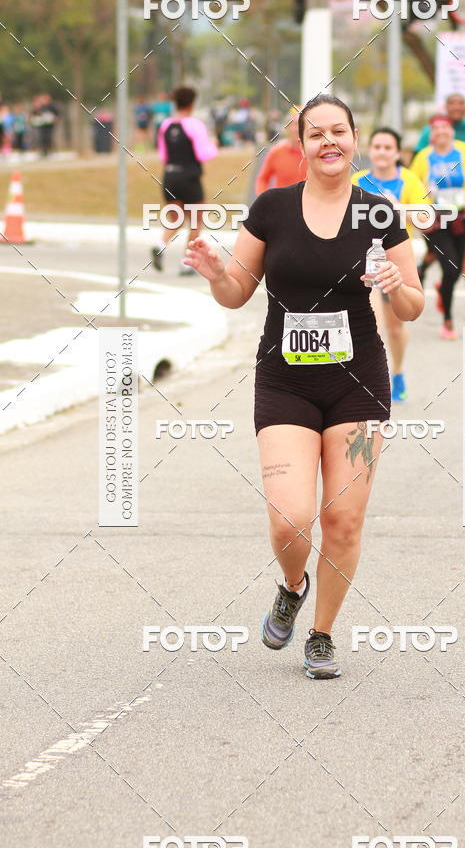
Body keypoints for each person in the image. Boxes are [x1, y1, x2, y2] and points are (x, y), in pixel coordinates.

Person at [183, 94, 423, 679]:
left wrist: (394, 285)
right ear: (301, 145)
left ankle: (321, 634)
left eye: (337, 131)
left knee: (343, 520)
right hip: (285, 381)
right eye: (316, 134)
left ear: (355, 138)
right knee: (290, 519)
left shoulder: (380, 212)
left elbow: (413, 306)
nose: (328, 142)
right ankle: (293, 584)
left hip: (358, 381)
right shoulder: (272, 209)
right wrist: (218, 274)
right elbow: (237, 291)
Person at [352, 127, 429, 402]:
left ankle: (397, 372)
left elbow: (427, 220)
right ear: (369, 151)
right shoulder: (358, 180)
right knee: (370, 324)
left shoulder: (409, 181)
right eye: (377, 147)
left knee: (395, 328)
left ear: (397, 153)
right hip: (360, 261)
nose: (382, 152)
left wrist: (400, 210)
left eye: (388, 147)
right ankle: (365, 378)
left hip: (394, 262)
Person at [410, 114, 465, 340]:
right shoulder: (423, 157)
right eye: (437, 128)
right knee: (451, 267)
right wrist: (419, 213)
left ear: (451, 131)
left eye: (445, 127)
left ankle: (441, 287)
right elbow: (412, 186)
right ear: (431, 134)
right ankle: (448, 321)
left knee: (457, 266)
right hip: (435, 219)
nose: (442, 132)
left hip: (461, 216)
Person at [151, 86, 218, 276]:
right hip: (189, 177)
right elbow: (202, 153)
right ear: (191, 103)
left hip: (169, 176)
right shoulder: (194, 125)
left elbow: (163, 156)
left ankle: (160, 245)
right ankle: (187, 263)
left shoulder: (165, 126)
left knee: (175, 219)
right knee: (196, 221)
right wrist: (214, 146)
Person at [255, 108, 308, 194]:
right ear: (288, 127)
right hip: (282, 205)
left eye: (302, 125)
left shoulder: (314, 152)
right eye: (295, 124)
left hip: (310, 205)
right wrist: (264, 201)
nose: (298, 129)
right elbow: (262, 179)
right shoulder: (276, 152)